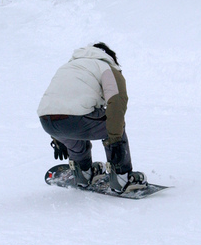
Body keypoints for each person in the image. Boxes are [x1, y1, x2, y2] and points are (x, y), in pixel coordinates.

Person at [37, 42, 147, 193]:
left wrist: (58, 137)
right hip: (76, 120)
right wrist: (115, 139)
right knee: (114, 123)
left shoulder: (68, 67)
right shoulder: (106, 66)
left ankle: (83, 172)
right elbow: (116, 101)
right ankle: (122, 177)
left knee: (78, 127)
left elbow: (56, 101)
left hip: (47, 122)